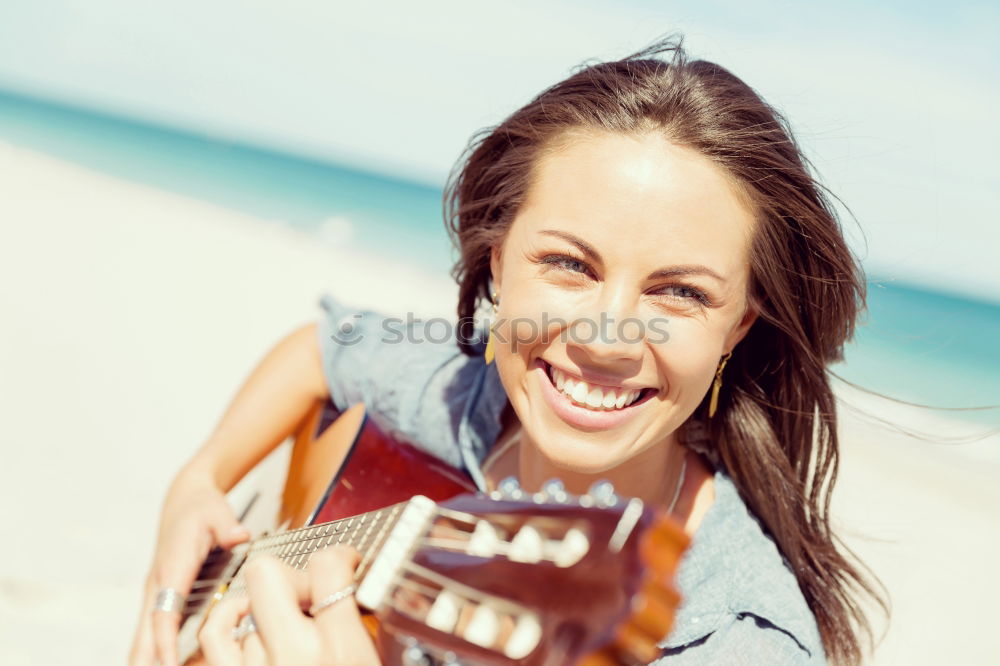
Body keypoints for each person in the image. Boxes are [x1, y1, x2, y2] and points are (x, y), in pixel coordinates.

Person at [129, 35, 887, 666]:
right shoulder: (470, 403)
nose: (603, 337)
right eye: (568, 264)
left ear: (740, 326)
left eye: (680, 293)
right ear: (497, 262)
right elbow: (321, 345)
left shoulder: (736, 643)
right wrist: (197, 483)